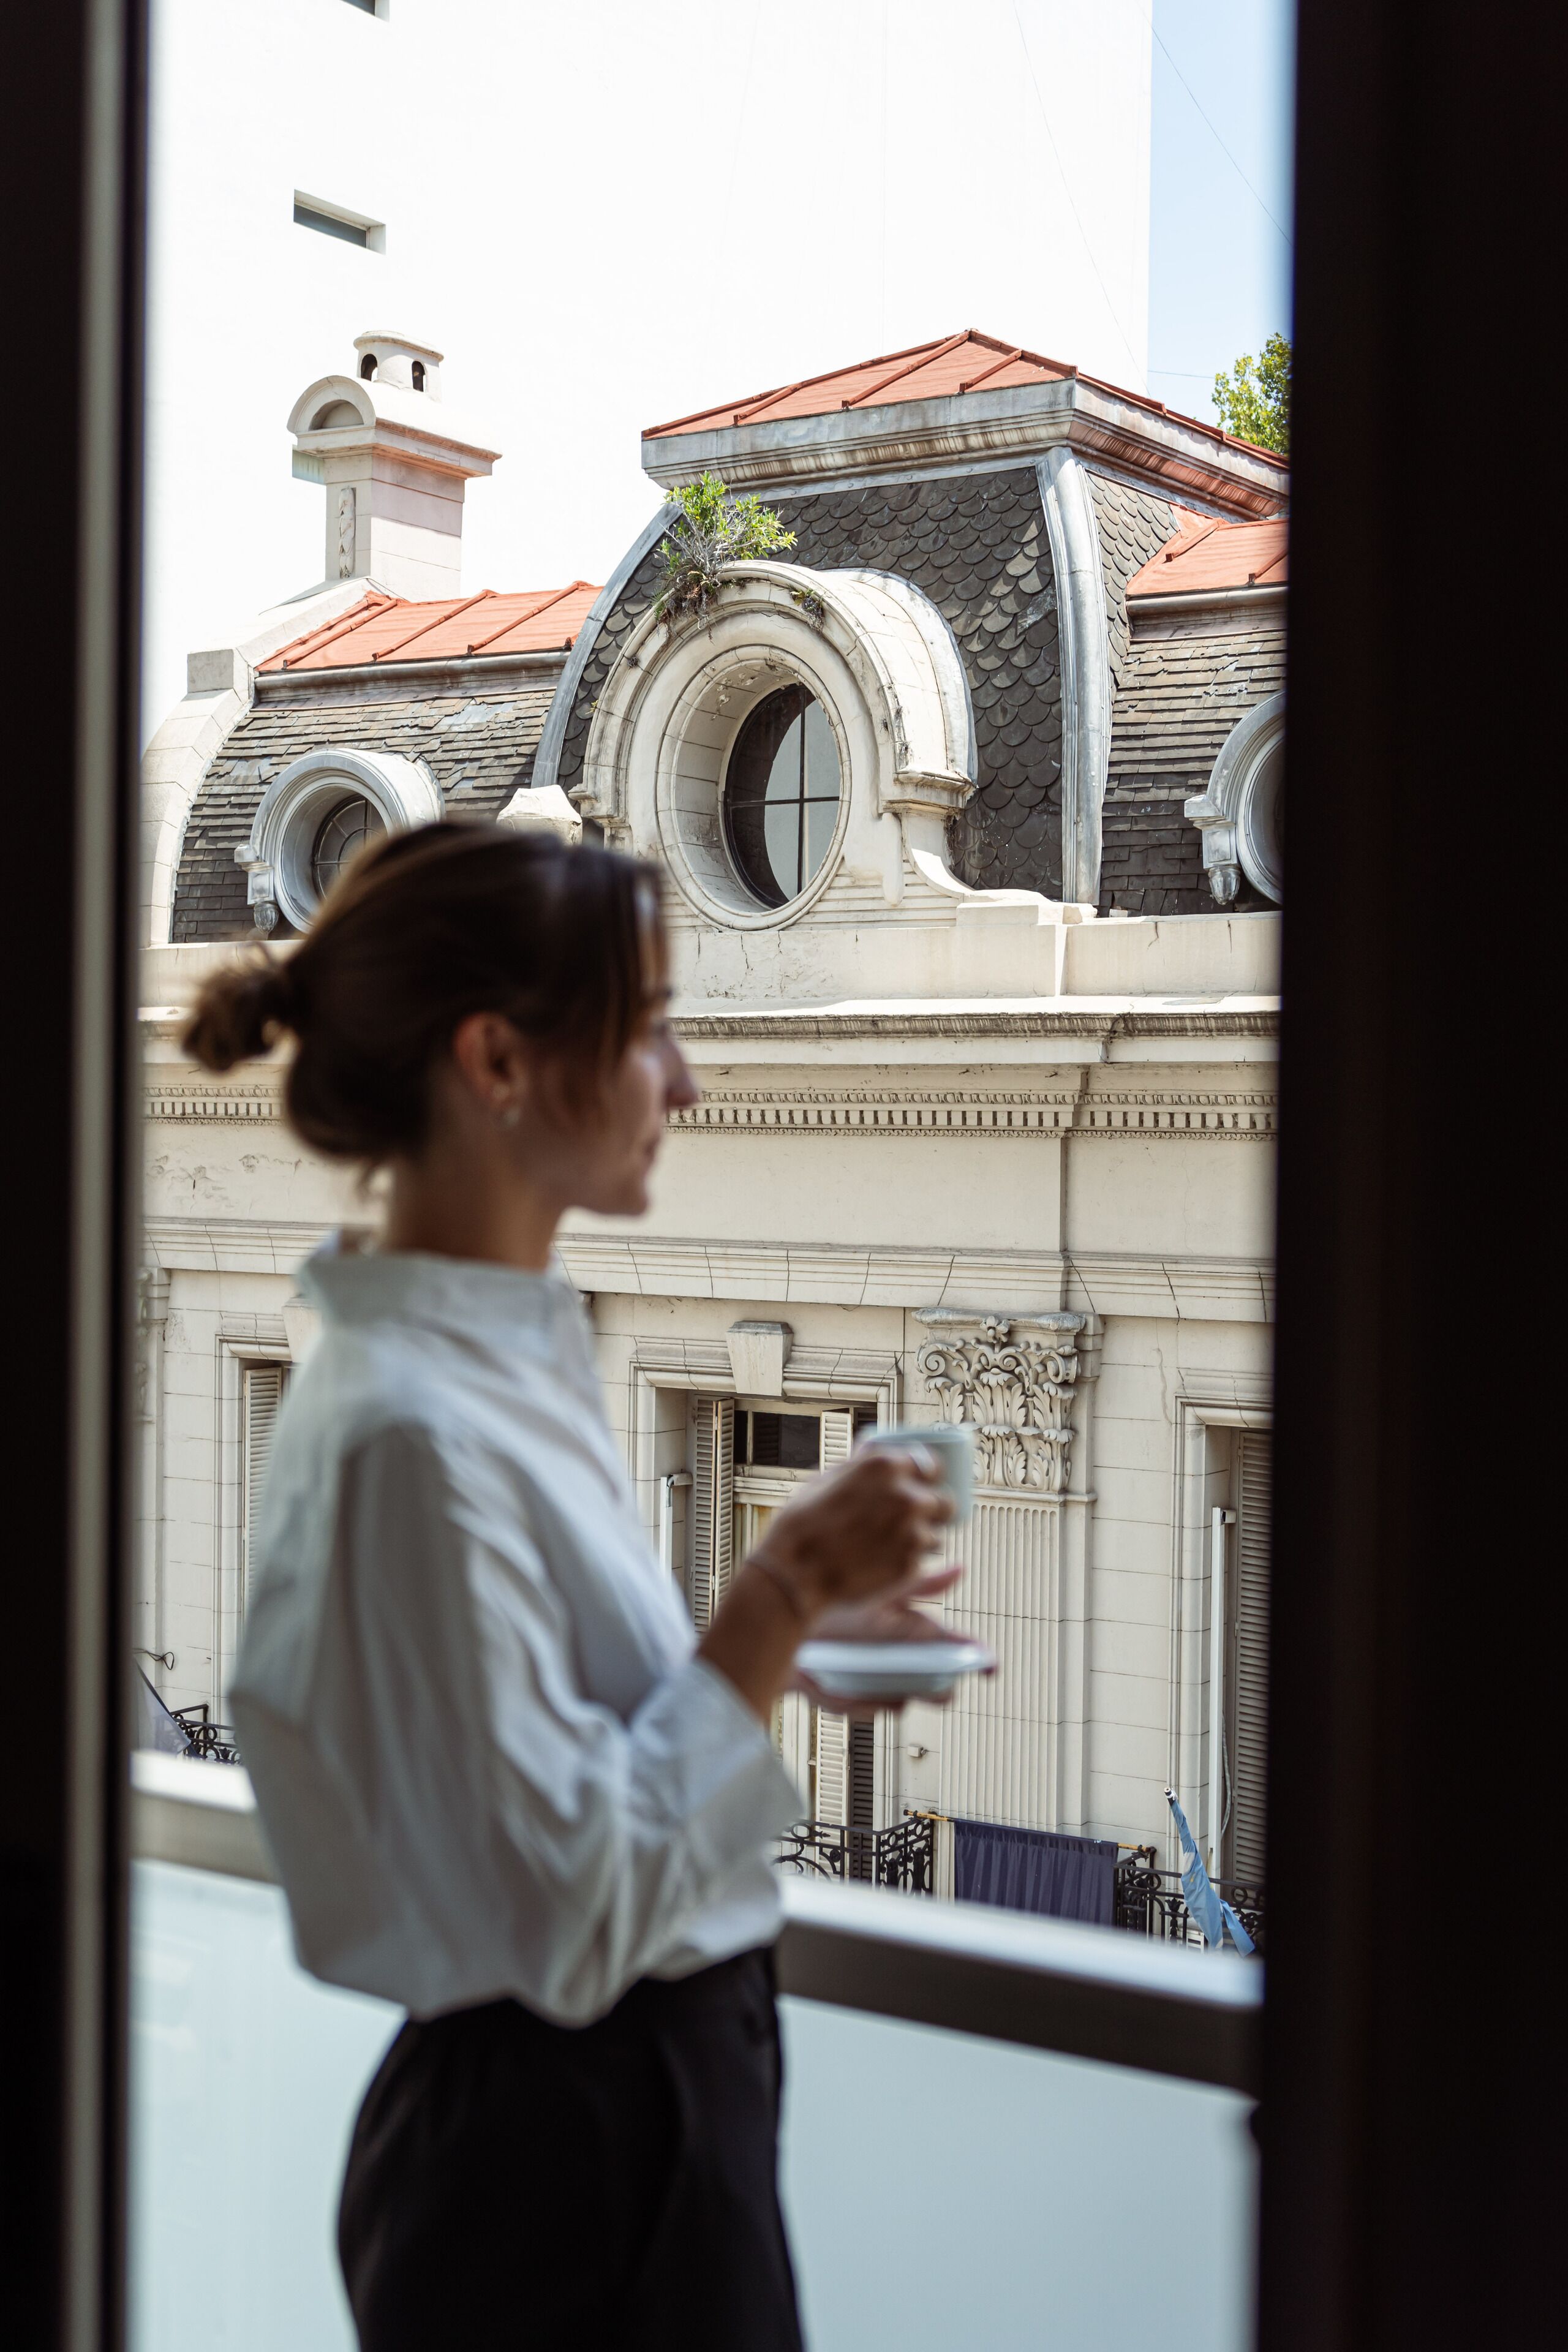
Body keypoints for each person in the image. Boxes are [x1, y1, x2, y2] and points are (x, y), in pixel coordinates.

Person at [183, 823, 963, 2352]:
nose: (683, 1079)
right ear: (497, 1061)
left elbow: (531, 1765)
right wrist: (778, 1590)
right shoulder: (412, 1429)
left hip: (615, 2136)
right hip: (579, 2170)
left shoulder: (476, 1370)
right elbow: (563, 1906)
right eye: (651, 1021)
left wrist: (781, 1642)